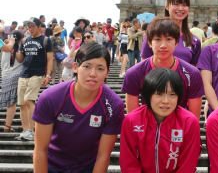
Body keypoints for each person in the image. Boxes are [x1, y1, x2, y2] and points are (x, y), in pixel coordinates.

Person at [32, 42, 125, 173]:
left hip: (87, 167)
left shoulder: (114, 104)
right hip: (51, 164)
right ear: (75, 67)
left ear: (107, 72)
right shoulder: (50, 97)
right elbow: (41, 149)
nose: (93, 74)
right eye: (87, 66)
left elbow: (103, 156)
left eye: (100, 68)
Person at [120, 68, 202, 172]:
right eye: (159, 94)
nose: (166, 101)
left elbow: (187, 166)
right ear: (148, 95)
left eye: (172, 94)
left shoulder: (189, 122)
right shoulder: (131, 121)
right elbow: (129, 163)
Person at [122, 17, 204, 119]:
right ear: (149, 43)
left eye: (169, 39)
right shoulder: (134, 73)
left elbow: (193, 120)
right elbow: (133, 120)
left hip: (179, 129)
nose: (163, 45)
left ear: (176, 42)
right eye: (158, 39)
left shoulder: (192, 74)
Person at [14, 17, 54, 141]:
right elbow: (20, 59)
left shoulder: (46, 40)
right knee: (21, 103)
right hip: (24, 73)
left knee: (28, 100)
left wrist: (48, 76)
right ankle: (26, 130)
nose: (30, 29)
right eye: (28, 26)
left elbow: (49, 59)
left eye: (32, 26)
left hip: (38, 73)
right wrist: (14, 48)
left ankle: (32, 130)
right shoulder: (25, 40)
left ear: (39, 27)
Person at [140, 0, 201, 66]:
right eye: (176, 4)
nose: (180, 8)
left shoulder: (194, 41)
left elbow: (194, 71)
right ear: (167, 6)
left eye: (184, 5)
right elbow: (144, 66)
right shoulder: (153, 35)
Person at [1, 30, 24, 132]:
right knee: (12, 103)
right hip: (15, 76)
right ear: (20, 39)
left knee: (9, 102)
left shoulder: (5, 48)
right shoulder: (19, 49)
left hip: (5, 76)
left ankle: (7, 122)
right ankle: (8, 125)